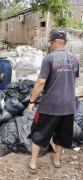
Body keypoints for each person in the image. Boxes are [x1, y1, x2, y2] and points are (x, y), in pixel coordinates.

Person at [27, 29, 79, 174]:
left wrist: (32, 101)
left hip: (50, 105)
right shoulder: (74, 59)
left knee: (39, 133)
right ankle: (57, 161)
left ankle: (33, 164)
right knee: (62, 135)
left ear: (51, 42)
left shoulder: (49, 58)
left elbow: (41, 82)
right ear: (66, 42)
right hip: (69, 106)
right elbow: (73, 79)